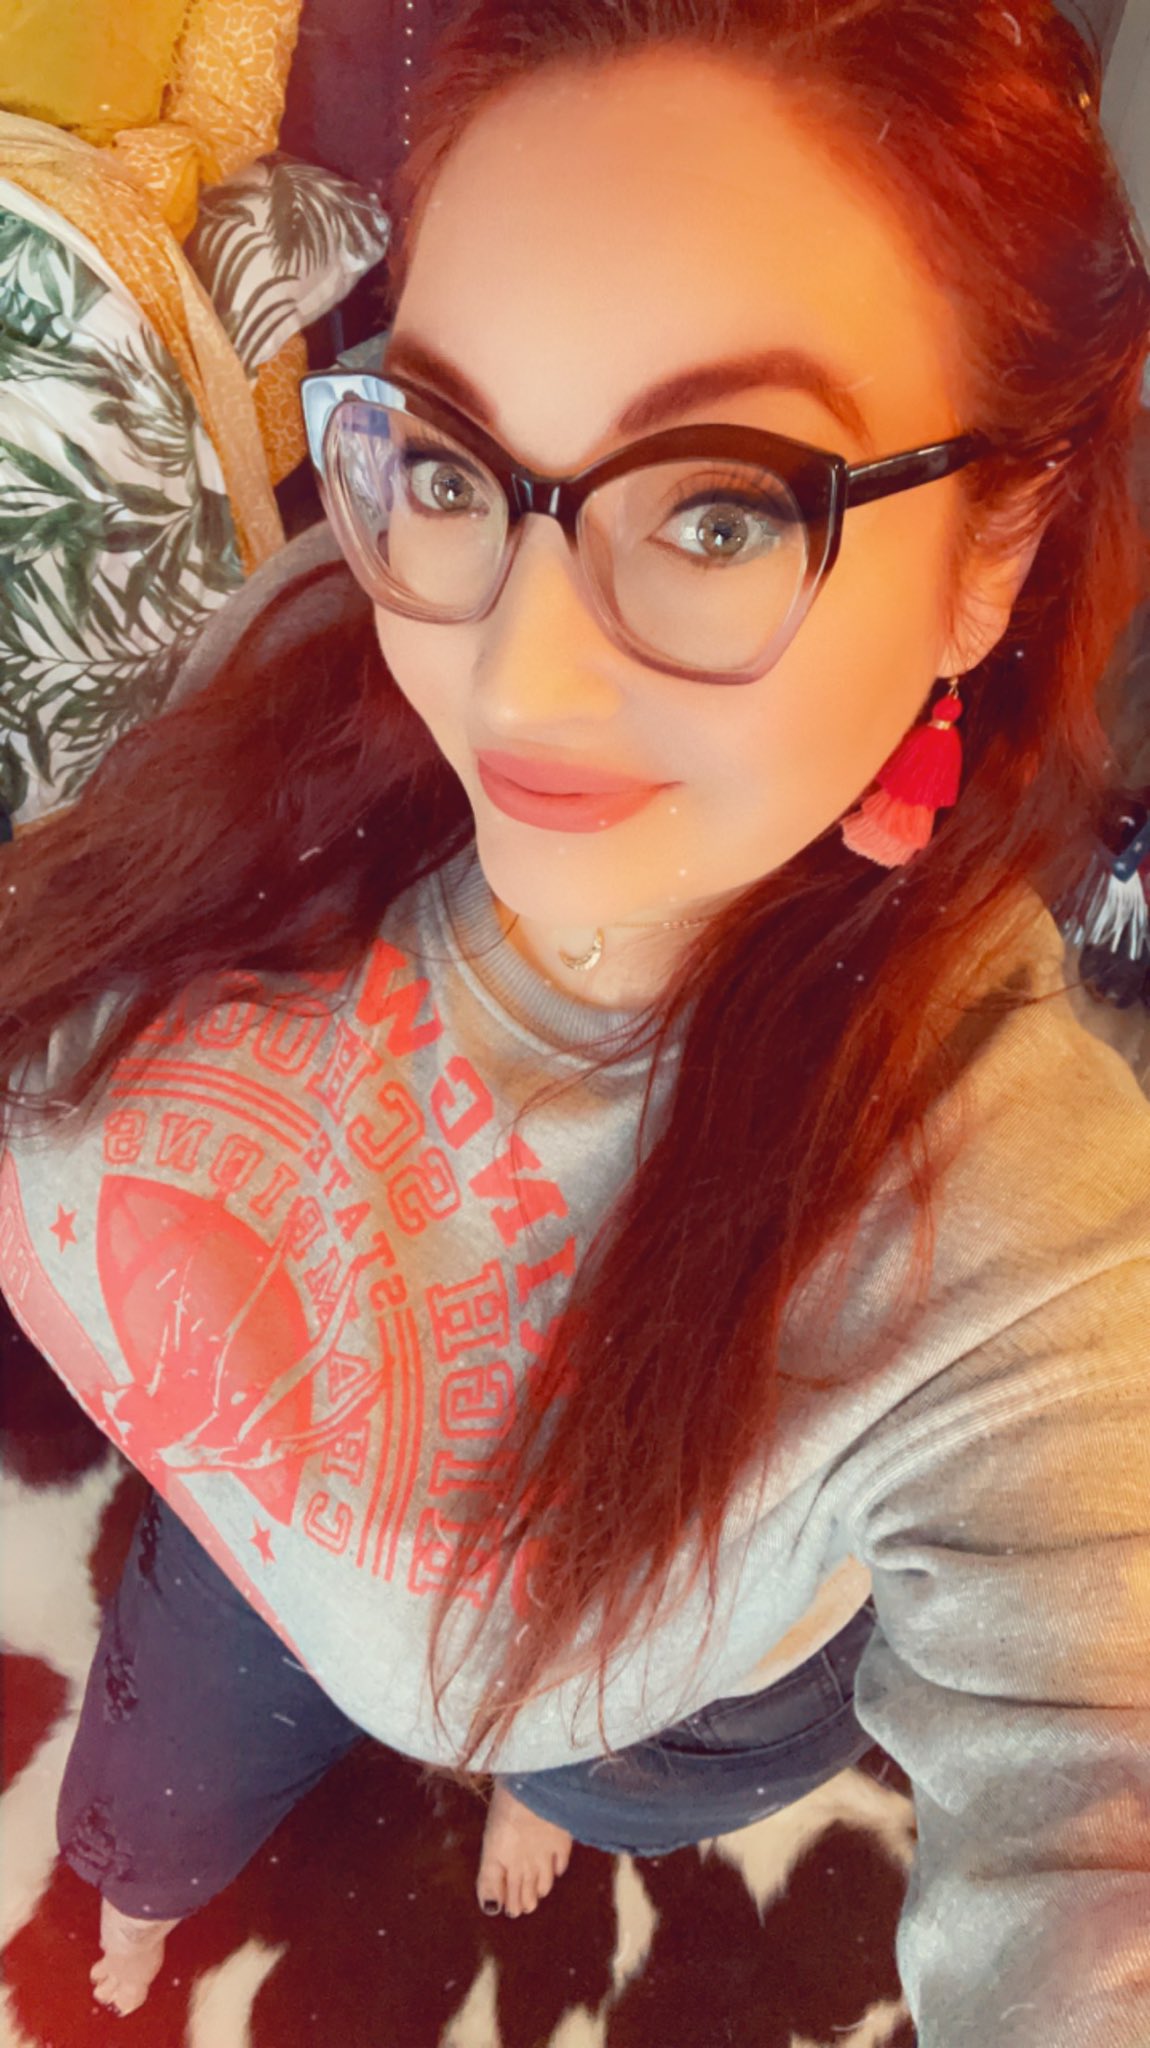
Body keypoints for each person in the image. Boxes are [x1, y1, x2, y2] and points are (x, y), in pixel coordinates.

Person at [1, 0, 1149, 2036]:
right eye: (453, 460)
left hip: (655, 1715)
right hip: (233, 1533)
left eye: (717, 511)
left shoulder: (1011, 1221)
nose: (510, 676)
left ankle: (551, 1775)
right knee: (144, 1815)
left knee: (590, 1764)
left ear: (996, 549)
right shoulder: (315, 640)